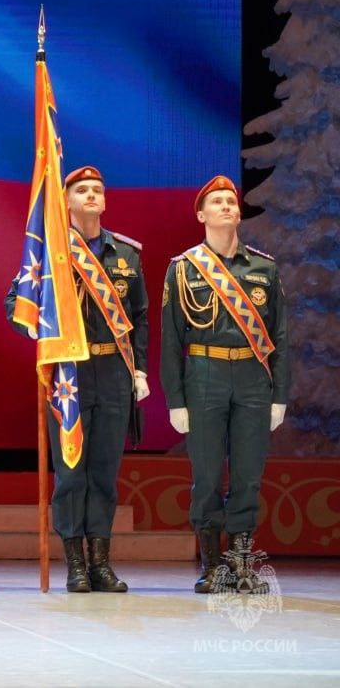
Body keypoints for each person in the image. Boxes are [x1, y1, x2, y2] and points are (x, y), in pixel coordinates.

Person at [4, 166, 148, 593]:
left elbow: (139, 317)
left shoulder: (126, 254)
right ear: (65, 200)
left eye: (97, 190)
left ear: (105, 200)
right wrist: (42, 326)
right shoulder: (51, 250)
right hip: (69, 372)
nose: (90, 195)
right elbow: (16, 302)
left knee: (104, 472)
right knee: (70, 472)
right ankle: (75, 564)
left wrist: (139, 369)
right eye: (81, 189)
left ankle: (100, 563)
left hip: (113, 371)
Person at [161, 175, 289, 595]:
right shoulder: (183, 269)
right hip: (204, 375)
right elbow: (170, 340)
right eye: (217, 202)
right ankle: (212, 564)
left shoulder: (264, 268)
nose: (227, 207)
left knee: (249, 476)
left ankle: (241, 562)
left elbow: (280, 337)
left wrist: (279, 396)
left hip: (253, 378)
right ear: (201, 214)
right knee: (207, 475)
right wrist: (175, 400)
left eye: (231, 201)